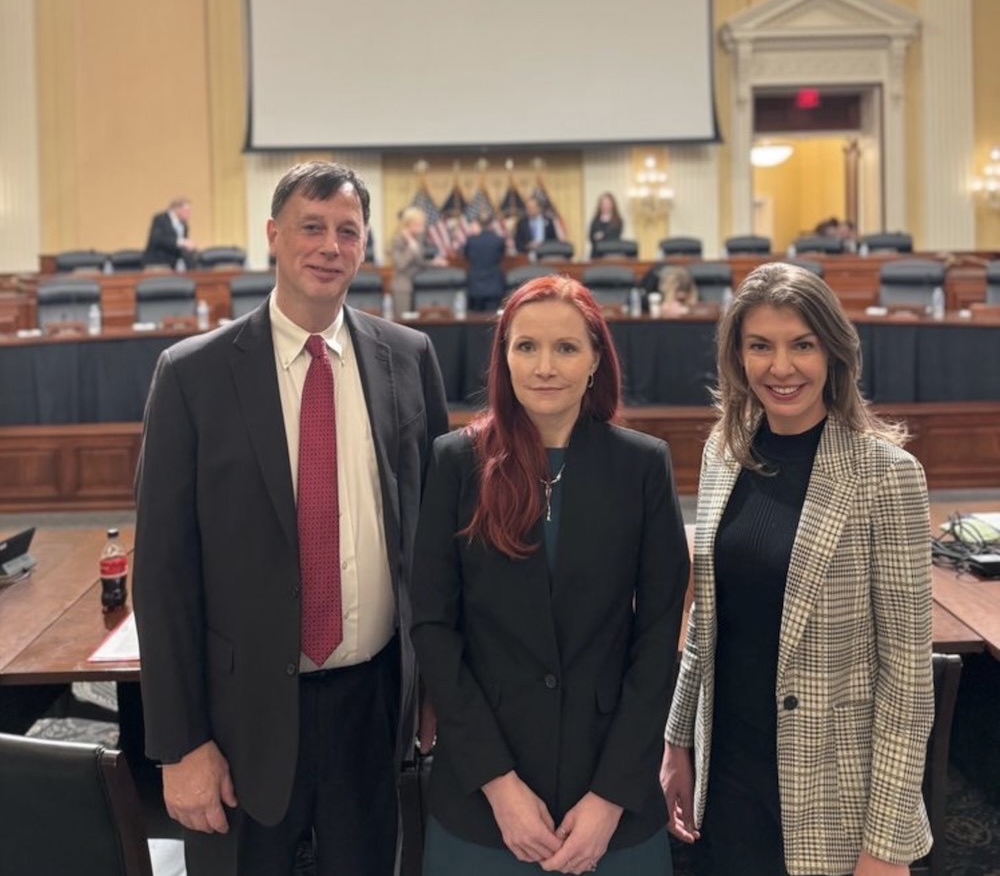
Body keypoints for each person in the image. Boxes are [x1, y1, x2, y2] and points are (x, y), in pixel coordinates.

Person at [132, 161, 450, 876]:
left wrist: (433, 687)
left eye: (347, 231)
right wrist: (180, 746)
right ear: (274, 236)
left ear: (365, 247)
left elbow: (434, 545)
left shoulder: (409, 358)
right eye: (311, 226)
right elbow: (162, 574)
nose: (329, 245)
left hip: (373, 708)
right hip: (239, 723)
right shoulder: (192, 375)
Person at [410, 275, 690, 875]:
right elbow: (434, 628)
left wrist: (612, 795)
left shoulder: (642, 465)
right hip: (484, 800)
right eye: (525, 346)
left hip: (612, 799)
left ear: (595, 361)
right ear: (503, 356)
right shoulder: (457, 461)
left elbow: (658, 640)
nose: (544, 366)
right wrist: (498, 784)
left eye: (565, 348)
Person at [661, 261, 934, 876]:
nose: (781, 368)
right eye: (761, 346)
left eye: (801, 345)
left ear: (834, 353)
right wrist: (678, 740)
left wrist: (885, 846)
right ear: (738, 356)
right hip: (727, 774)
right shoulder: (722, 452)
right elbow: (707, 616)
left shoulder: (887, 476)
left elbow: (909, 685)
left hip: (833, 799)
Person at [391, 206, 446, 315]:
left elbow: (418, 264)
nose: (422, 227)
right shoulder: (398, 240)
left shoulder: (418, 239)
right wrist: (411, 248)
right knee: (403, 323)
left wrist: (433, 263)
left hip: (418, 285)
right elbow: (400, 265)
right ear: (408, 224)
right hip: (403, 288)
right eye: (418, 224)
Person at [463, 210, 507, 313]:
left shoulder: (471, 241)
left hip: (475, 285)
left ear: (478, 223)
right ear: (491, 224)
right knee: (493, 321)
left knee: (475, 321)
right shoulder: (498, 240)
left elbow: (466, 256)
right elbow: (501, 256)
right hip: (494, 284)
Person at [143, 196, 197, 269]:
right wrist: (182, 242)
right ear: (177, 209)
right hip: (158, 263)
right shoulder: (160, 219)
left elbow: (181, 246)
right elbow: (157, 239)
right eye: (187, 211)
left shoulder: (184, 225)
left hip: (174, 264)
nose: (189, 215)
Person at [588, 193, 624, 258]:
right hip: (596, 254)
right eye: (603, 204)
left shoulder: (618, 220)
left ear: (612, 205)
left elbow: (614, 235)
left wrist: (602, 235)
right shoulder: (595, 220)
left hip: (612, 253)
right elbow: (591, 236)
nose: (605, 206)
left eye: (607, 203)